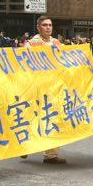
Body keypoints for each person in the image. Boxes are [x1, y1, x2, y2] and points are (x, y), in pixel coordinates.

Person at [27, 16, 68, 165]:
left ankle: (51, 155)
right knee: (34, 118)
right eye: (45, 25)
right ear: (38, 27)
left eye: (50, 25)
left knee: (54, 118)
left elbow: (63, 61)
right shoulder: (31, 44)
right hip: (37, 87)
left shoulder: (57, 42)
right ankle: (25, 146)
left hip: (54, 87)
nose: (48, 27)